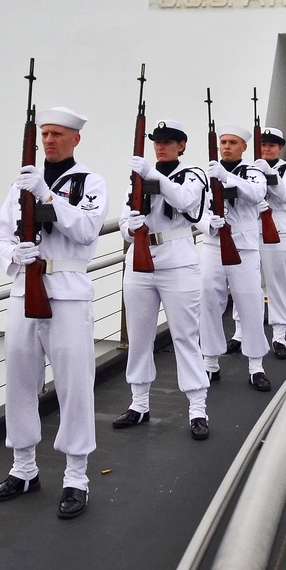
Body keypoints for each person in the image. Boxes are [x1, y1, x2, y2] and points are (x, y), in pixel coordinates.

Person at [0, 106, 108, 521]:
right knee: (19, 379)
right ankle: (23, 468)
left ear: (75, 139)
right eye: (45, 134)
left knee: (74, 384)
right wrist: (12, 254)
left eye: (58, 134)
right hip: (24, 290)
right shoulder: (20, 184)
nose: (50, 141)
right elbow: (0, 234)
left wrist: (46, 195)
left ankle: (76, 477)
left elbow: (87, 229)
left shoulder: (90, 181)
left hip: (68, 291)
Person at [114, 119, 210, 440]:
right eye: (157, 140)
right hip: (140, 259)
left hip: (177, 261)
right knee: (140, 337)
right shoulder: (139, 176)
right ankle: (138, 403)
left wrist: (153, 175)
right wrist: (130, 226)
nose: (161, 146)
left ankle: (197, 408)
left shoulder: (193, 174)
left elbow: (186, 202)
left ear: (182, 146)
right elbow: (124, 218)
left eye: (169, 141)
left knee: (185, 336)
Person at [199, 124, 271, 391]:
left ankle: (256, 365)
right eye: (223, 142)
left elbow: (256, 194)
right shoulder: (205, 174)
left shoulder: (253, 172)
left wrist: (228, 178)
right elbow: (194, 208)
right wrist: (209, 223)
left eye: (232, 142)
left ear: (244, 147)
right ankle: (209, 363)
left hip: (244, 246)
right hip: (213, 244)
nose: (226, 147)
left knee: (250, 303)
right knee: (208, 301)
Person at [248, 127, 286, 360]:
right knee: (247, 284)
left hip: (277, 227)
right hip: (250, 228)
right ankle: (242, 332)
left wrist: (270, 174)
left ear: (280, 147)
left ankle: (279, 335)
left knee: (277, 284)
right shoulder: (248, 169)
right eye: (263, 145)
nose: (266, 149)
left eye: (271, 145)